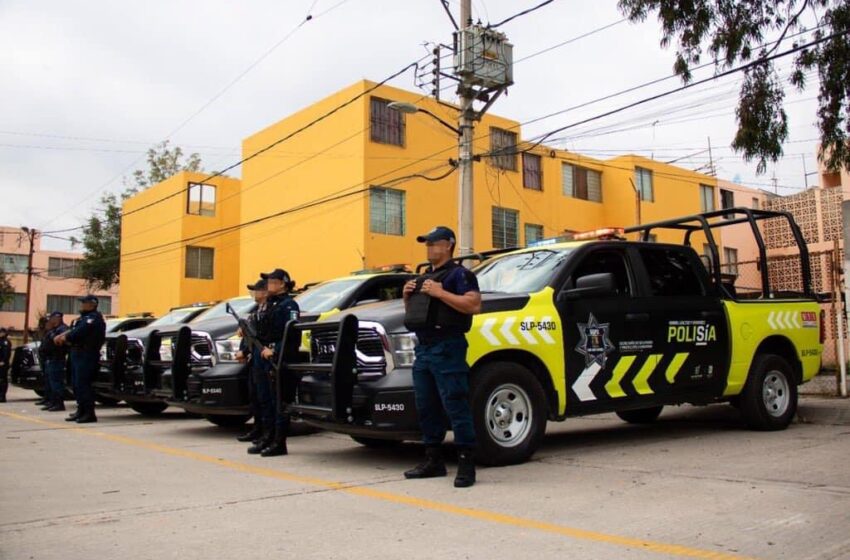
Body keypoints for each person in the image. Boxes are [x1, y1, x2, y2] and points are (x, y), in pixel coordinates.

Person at [402, 226, 482, 488]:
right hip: (424, 348)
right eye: (426, 244)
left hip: (448, 346)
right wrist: (407, 296)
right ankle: (433, 460)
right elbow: (418, 313)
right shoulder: (426, 276)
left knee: (455, 404)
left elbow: (473, 305)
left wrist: (441, 292)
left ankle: (466, 464)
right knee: (426, 406)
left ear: (448, 245)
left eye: (433, 243)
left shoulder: (461, 274)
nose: (428, 248)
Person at [250, 268, 299, 457]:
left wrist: (276, 350)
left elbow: (292, 333)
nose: (268, 285)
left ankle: (279, 442)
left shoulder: (289, 306)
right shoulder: (269, 305)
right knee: (264, 399)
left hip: (277, 357)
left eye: (272, 281)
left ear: (282, 284)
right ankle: (267, 437)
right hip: (262, 354)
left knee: (277, 400)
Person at [54, 295, 106, 423]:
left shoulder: (93, 318)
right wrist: (62, 335)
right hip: (77, 352)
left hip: (86, 353)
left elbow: (79, 332)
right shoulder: (83, 318)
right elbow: (73, 330)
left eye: (84, 303)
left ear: (92, 304)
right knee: (76, 383)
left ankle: (89, 413)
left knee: (83, 384)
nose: (82, 305)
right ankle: (81, 410)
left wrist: (66, 338)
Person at [236, 278, 271, 446]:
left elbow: (264, 335)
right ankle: (257, 429)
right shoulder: (256, 310)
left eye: (256, 290)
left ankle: (266, 432)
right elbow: (250, 334)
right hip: (254, 358)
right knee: (255, 396)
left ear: (264, 292)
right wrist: (244, 350)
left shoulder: (270, 309)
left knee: (265, 397)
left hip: (265, 358)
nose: (254, 293)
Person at [39, 312, 69, 411]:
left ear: (58, 318)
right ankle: (52, 401)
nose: (50, 320)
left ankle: (58, 403)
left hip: (57, 358)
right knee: (51, 382)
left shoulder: (62, 329)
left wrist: (51, 333)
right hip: (50, 358)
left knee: (56, 382)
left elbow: (58, 341)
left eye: (52, 318)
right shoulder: (53, 329)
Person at [0, 327, 11, 403]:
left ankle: (2, 396)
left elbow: (6, 353)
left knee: (2, 380)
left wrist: (3, 361)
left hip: (2, 364)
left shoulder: (5, 342)